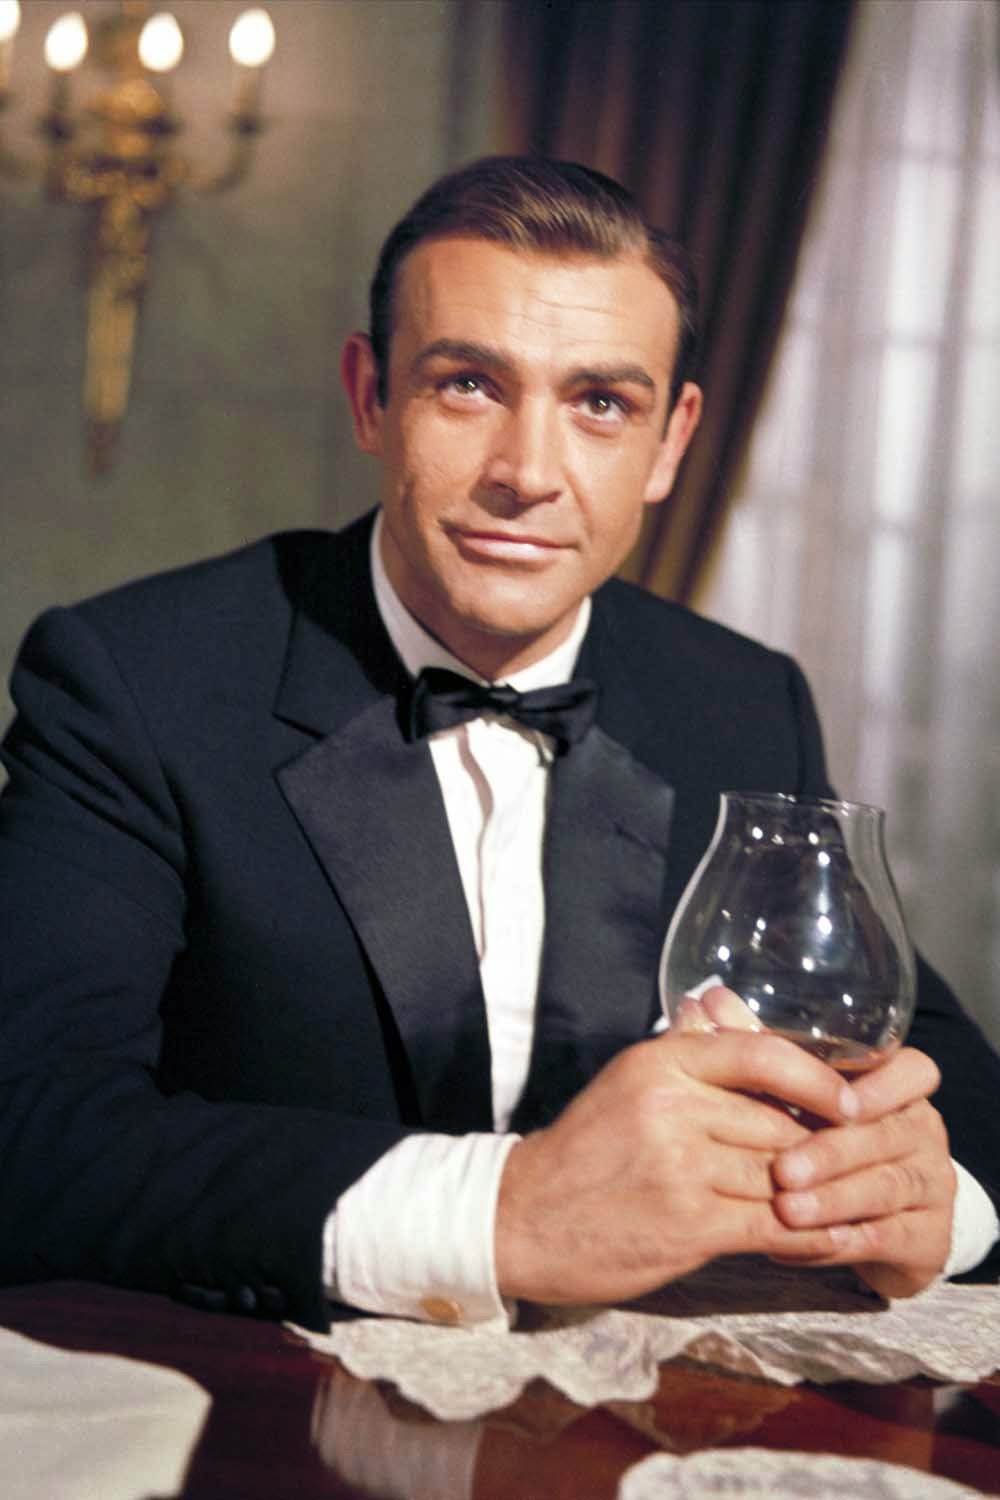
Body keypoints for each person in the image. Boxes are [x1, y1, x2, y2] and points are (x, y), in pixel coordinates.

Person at [1, 157, 997, 1335]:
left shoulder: (742, 701)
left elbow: (953, 1089)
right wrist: (508, 1212)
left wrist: (928, 1196)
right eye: (468, 385)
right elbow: (33, 1133)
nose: (527, 474)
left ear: (669, 442)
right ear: (371, 397)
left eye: (600, 403)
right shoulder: (132, 681)